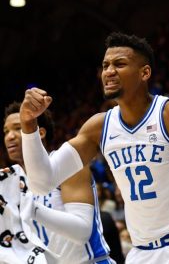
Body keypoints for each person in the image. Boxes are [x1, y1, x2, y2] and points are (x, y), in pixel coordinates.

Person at [19, 32, 169, 263]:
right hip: (139, 253)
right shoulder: (98, 127)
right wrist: (28, 125)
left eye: (119, 64)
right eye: (105, 65)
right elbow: (42, 182)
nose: (108, 71)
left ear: (144, 73)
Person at [3, 101, 113, 264]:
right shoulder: (12, 183)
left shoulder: (66, 164)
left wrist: (29, 207)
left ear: (39, 133)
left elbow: (81, 232)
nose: (9, 136)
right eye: (5, 131)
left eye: (18, 128)